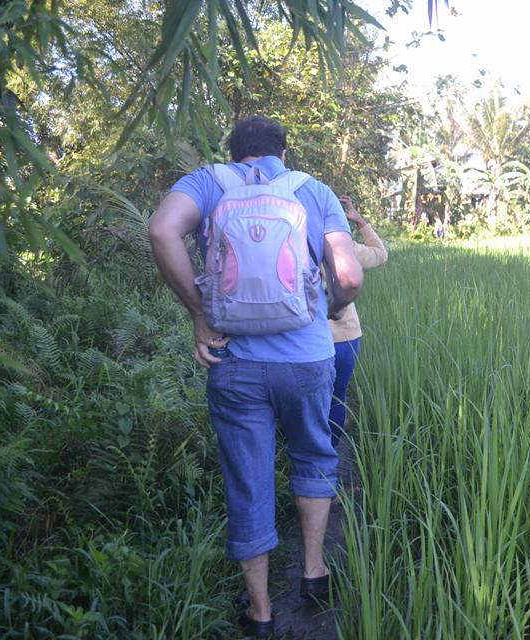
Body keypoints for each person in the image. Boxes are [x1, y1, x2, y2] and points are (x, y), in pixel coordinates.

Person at [148, 116, 363, 639]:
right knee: (314, 455)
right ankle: (314, 573)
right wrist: (334, 307)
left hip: (234, 361)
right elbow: (350, 276)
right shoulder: (313, 190)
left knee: (248, 478)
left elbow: (160, 230)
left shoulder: (208, 182)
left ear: (233, 152)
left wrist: (200, 314)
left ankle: (261, 613)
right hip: (307, 359)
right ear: (282, 153)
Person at [328, 195, 388, 447]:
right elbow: (380, 254)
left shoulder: (293, 244)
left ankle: (306, 457)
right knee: (337, 397)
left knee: (308, 402)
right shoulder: (346, 248)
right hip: (345, 337)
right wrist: (360, 221)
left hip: (305, 339)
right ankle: (330, 455)